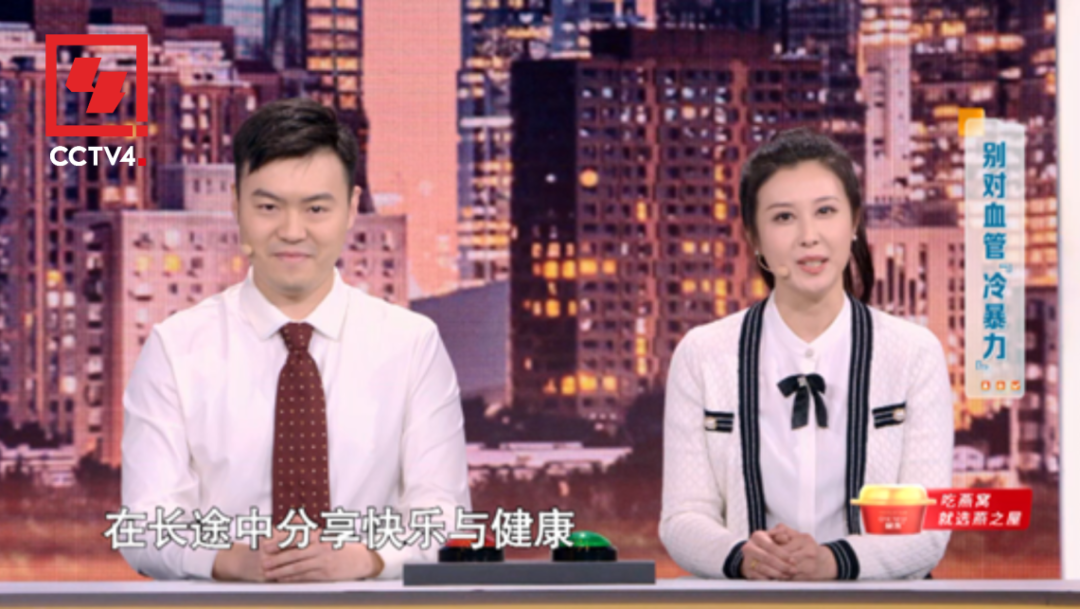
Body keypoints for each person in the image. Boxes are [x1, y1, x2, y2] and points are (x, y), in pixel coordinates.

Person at [120, 98, 470, 581]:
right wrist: (231, 561)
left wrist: (363, 559)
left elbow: (446, 518)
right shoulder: (176, 348)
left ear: (351, 208)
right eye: (268, 207)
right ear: (236, 205)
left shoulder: (411, 345)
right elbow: (143, 526)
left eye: (316, 208)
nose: (291, 231)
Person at [659, 128, 953, 580]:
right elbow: (683, 518)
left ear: (853, 223)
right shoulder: (703, 355)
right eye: (783, 217)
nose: (808, 236)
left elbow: (926, 527)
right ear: (754, 237)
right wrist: (744, 557)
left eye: (826, 211)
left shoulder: (913, 353)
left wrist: (832, 561)